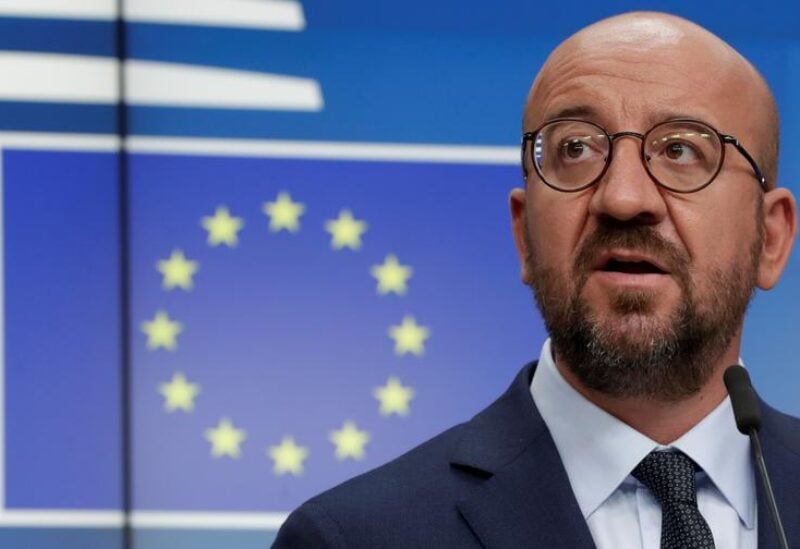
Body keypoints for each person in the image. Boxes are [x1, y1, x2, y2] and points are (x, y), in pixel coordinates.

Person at [273, 11, 799, 548]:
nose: (622, 198)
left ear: (771, 239)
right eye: (576, 148)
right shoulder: (353, 538)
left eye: (681, 150)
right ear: (524, 235)